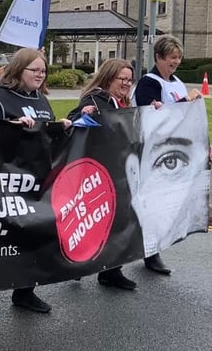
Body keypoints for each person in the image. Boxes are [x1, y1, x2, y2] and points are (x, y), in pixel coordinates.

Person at [0, 47, 72, 314]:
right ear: (19, 69)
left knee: (34, 234)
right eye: (35, 70)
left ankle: (25, 292)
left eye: (44, 71)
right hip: (5, 180)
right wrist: (12, 126)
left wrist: (60, 128)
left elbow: (45, 136)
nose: (41, 75)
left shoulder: (41, 100)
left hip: (36, 181)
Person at [132, 34, 204, 275]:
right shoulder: (148, 83)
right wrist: (185, 101)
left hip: (169, 153)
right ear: (158, 58)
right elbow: (149, 116)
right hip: (148, 152)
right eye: (171, 58)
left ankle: (152, 250)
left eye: (178, 58)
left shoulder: (176, 82)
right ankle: (148, 253)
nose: (175, 62)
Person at [67, 58, 137, 290]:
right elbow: (74, 120)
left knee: (117, 221)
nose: (127, 83)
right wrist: (82, 114)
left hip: (118, 168)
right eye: (122, 79)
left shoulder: (121, 100)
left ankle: (111, 270)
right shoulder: (94, 99)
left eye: (129, 79)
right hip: (97, 171)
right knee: (92, 223)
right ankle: (78, 267)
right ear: (108, 78)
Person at [126, 100, 209, 260]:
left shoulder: (125, 102)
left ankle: (151, 256)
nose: (127, 83)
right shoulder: (98, 99)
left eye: (129, 80)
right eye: (171, 162)